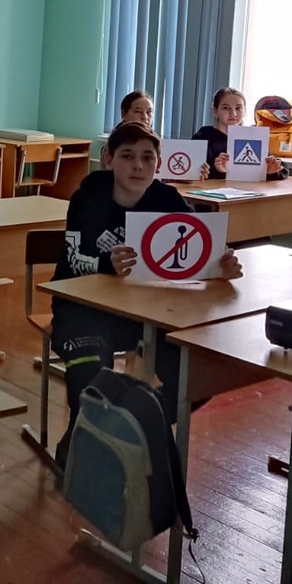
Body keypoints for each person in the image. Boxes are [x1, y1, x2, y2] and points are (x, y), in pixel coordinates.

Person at [53, 122, 242, 467]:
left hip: (146, 311)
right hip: (82, 309)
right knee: (89, 379)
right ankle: (81, 437)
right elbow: (73, 257)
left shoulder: (167, 198)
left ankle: (131, 426)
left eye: (147, 158)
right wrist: (106, 263)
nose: (138, 165)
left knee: (197, 378)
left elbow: (201, 247)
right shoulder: (87, 197)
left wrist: (221, 263)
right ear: (109, 159)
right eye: (127, 156)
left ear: (159, 163)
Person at [192, 87, 286, 181]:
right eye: (225, 108)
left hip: (249, 189)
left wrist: (270, 171)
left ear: (244, 111)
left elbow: (283, 169)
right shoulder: (203, 137)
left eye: (238, 108)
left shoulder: (252, 136)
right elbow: (193, 171)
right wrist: (219, 171)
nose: (233, 113)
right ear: (215, 111)